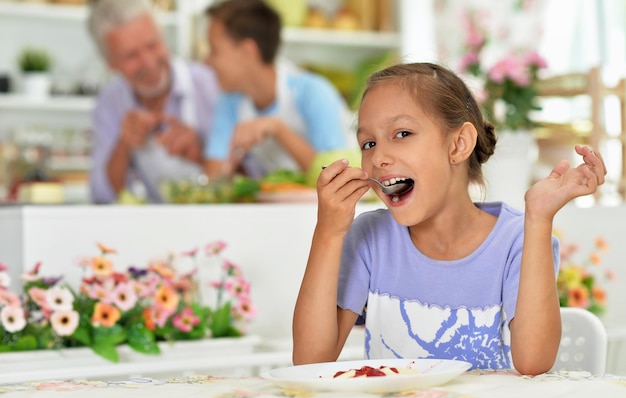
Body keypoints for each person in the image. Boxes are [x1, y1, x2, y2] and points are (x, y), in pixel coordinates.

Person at [292, 62, 607, 375]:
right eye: (368, 143)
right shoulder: (369, 238)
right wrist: (328, 233)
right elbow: (310, 361)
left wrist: (538, 218)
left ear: (458, 144)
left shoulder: (516, 241)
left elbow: (534, 361)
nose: (378, 157)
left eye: (402, 133)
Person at [87, 0, 220, 203]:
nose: (148, 63)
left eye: (153, 45)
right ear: (110, 63)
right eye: (131, 55)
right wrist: (124, 144)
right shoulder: (109, 103)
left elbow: (251, 179)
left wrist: (201, 154)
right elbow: (102, 195)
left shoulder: (209, 85)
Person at [203, 0, 352, 179]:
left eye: (214, 50)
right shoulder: (229, 101)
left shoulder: (314, 93)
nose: (207, 62)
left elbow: (337, 176)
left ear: (247, 52)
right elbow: (215, 177)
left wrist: (278, 129)